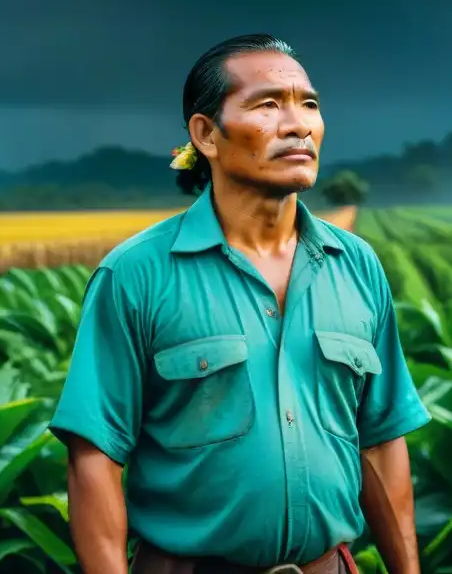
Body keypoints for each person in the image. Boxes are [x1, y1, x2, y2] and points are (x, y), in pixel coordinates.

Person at [50, 34, 430, 574]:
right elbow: (93, 459)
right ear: (206, 134)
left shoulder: (357, 265)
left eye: (310, 105)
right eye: (269, 104)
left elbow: (381, 443)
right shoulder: (137, 275)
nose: (298, 123)